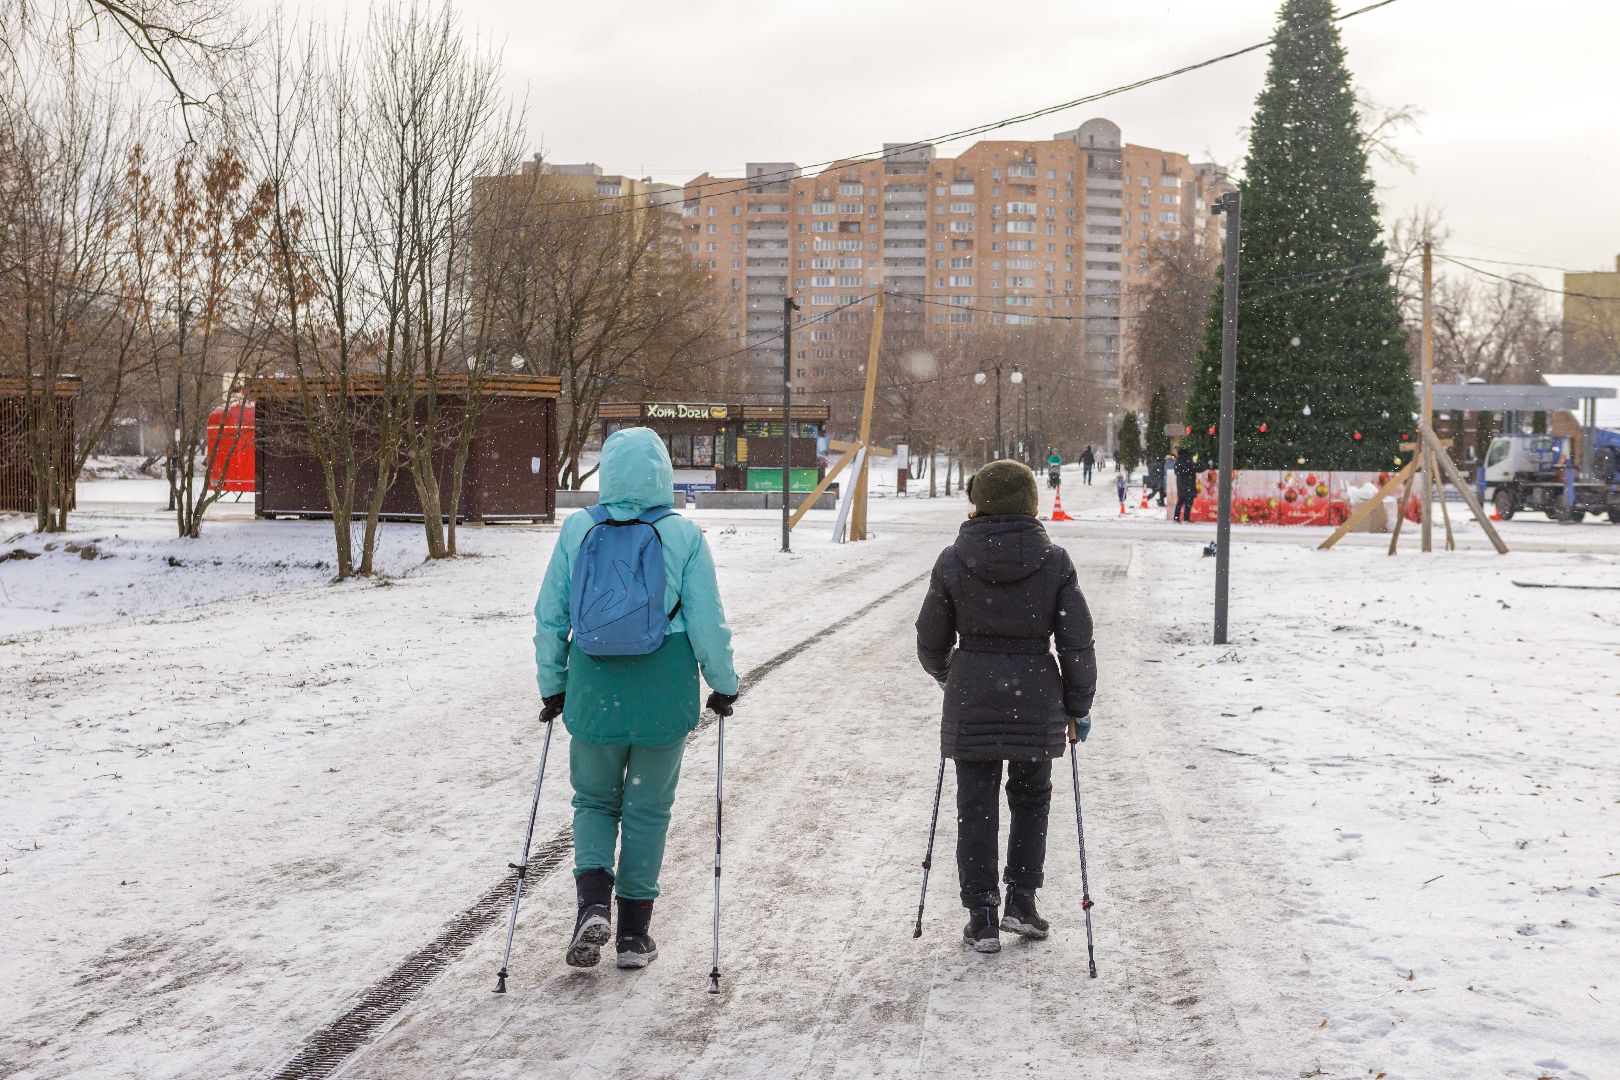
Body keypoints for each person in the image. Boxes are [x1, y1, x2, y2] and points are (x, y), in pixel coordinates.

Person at [533, 426, 739, 971]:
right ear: (662, 475)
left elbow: (551, 615)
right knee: (647, 810)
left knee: (594, 801)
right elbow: (708, 622)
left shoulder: (578, 528)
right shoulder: (683, 535)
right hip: (662, 691)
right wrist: (724, 683)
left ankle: (592, 903)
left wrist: (553, 684)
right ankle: (632, 936)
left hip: (594, 685)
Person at [914, 460, 1098, 953]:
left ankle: (982, 916)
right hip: (1036, 698)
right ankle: (1022, 901)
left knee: (974, 805)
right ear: (1031, 502)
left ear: (979, 502)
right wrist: (1077, 706)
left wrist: (949, 675)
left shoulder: (953, 560)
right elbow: (1076, 643)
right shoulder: (1055, 561)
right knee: (1031, 799)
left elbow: (930, 640)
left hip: (971, 694)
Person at [1172, 446, 1197, 523]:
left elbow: (1176, 472)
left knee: (1180, 502)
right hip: (1189, 485)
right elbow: (1194, 469)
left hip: (1181, 485)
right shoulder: (1189, 461)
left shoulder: (1177, 462)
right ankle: (1186, 518)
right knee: (1188, 503)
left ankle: (1176, 518)